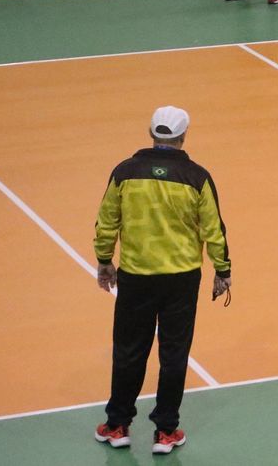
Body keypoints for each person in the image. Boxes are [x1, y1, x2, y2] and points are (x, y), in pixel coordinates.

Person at [93, 106, 232, 455]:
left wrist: (104, 261)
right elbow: (213, 229)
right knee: (174, 354)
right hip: (181, 281)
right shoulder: (197, 177)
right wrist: (223, 269)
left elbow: (106, 221)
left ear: (151, 133)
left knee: (128, 351)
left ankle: (117, 425)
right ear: (184, 136)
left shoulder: (125, 173)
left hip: (136, 278)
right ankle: (166, 431)